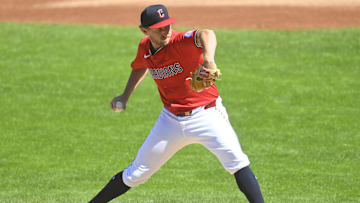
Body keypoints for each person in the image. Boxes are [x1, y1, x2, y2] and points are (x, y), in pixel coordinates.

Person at [89, 4, 264, 203]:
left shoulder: (180, 41)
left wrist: (209, 60)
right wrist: (124, 96)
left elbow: (206, 33)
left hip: (206, 115)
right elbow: (140, 66)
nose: (166, 31)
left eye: (167, 25)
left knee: (237, 163)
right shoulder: (144, 47)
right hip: (170, 120)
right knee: (135, 174)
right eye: (159, 28)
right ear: (145, 30)